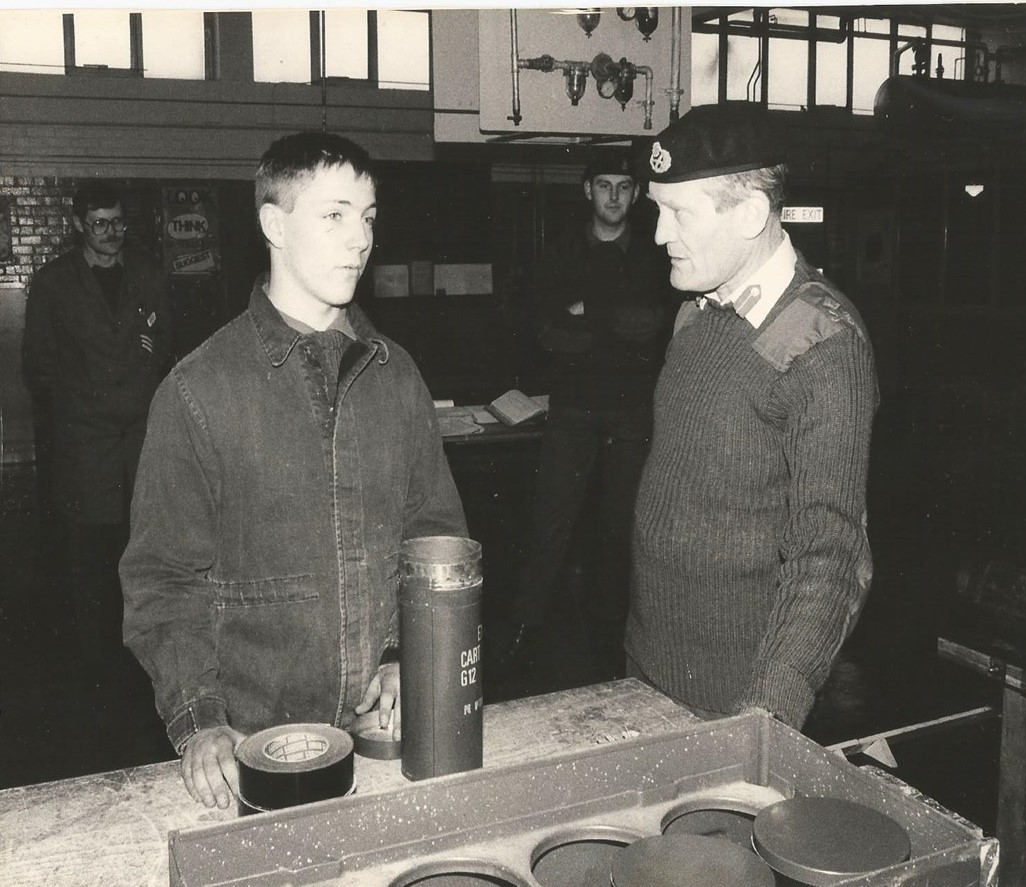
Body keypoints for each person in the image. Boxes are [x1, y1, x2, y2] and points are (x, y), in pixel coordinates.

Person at [120, 131, 466, 809]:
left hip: (381, 740)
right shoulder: (199, 390)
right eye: (333, 215)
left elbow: (431, 533)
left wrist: (408, 657)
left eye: (367, 218)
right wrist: (201, 721)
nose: (359, 240)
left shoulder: (397, 378)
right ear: (273, 223)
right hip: (254, 748)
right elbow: (162, 582)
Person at [627, 105, 879, 730]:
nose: (659, 234)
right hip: (647, 669)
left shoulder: (822, 340)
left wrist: (769, 713)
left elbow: (832, 554)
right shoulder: (698, 313)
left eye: (678, 212)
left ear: (749, 215)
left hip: (736, 703)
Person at [503, 154, 675, 679]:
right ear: (587, 191)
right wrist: (612, 318)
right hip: (573, 409)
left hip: (631, 412)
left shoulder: (655, 253)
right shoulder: (559, 252)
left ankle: (612, 641)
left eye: (625, 187)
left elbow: (650, 325)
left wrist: (587, 313)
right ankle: (520, 634)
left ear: (639, 192)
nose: (615, 197)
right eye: (605, 186)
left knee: (620, 527)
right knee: (550, 521)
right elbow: (551, 334)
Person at [22, 182, 172, 666]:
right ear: (78, 225)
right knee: (89, 554)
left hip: (140, 439)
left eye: (118, 222)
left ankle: (143, 647)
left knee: (144, 547)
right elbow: (38, 365)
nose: (112, 233)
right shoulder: (53, 282)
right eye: (100, 224)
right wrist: (82, 406)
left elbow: (166, 341)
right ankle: (94, 659)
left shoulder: (147, 273)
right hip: (85, 445)